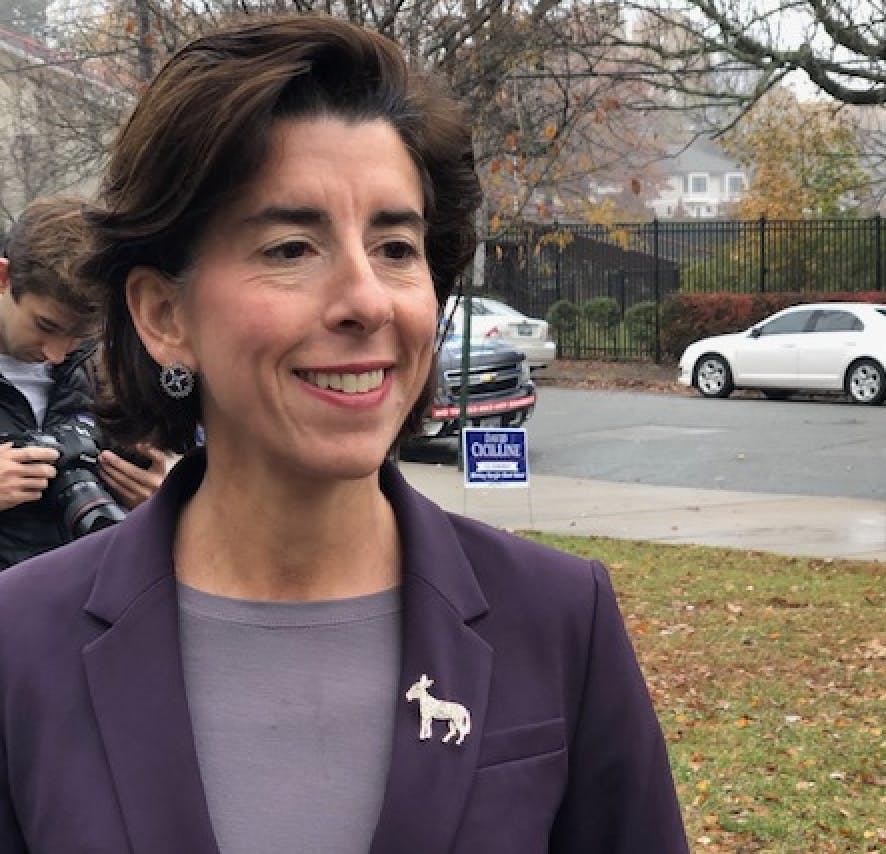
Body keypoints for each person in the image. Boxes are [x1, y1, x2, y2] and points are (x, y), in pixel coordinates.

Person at [0, 16, 689, 853]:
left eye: (396, 247)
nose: (367, 299)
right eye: (292, 248)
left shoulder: (558, 622)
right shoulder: (21, 645)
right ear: (163, 314)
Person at [0, 196, 172, 570]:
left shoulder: (111, 373)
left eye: (79, 336)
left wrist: (159, 503)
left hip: (87, 596)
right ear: (3, 278)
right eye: (46, 326)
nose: (56, 354)